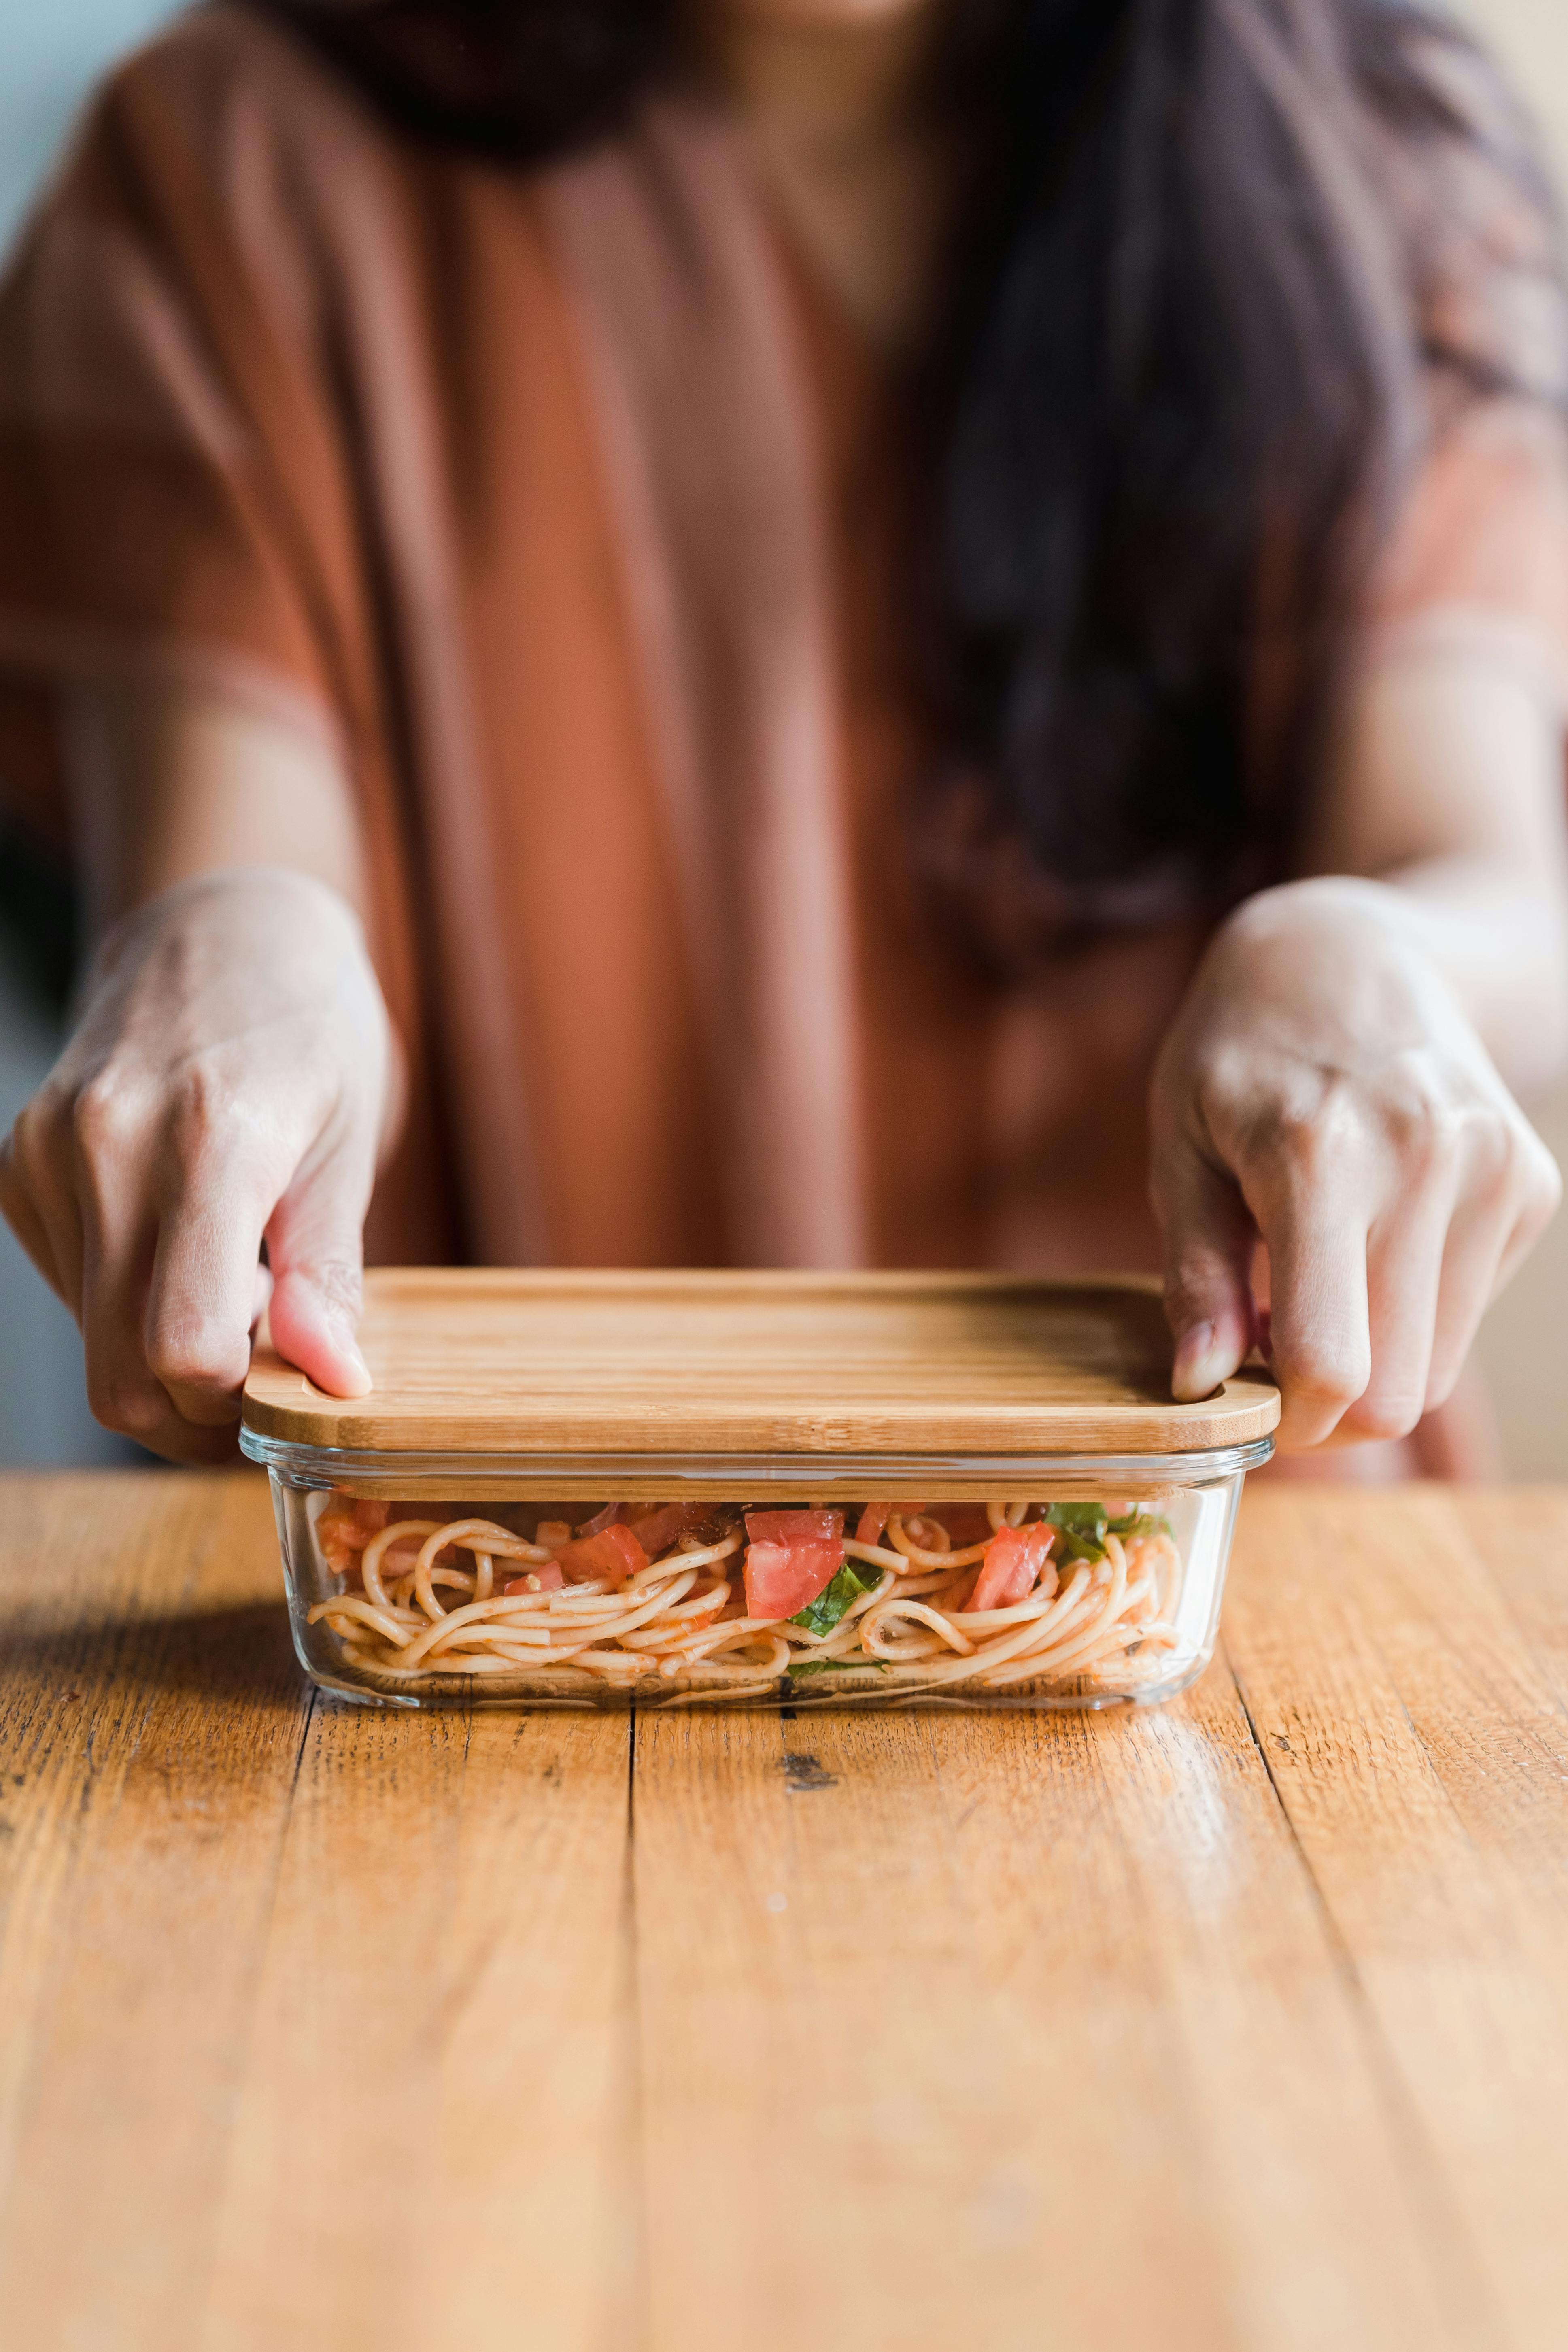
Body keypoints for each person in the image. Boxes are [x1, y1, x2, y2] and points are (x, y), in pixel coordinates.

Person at [0, 0, 1565, 1472]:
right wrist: (233, 947)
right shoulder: (232, 167)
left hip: (1245, 1597)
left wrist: (1382, 963)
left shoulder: (1381, 171)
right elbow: (237, 868)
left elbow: (1477, 866)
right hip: (473, 1590)